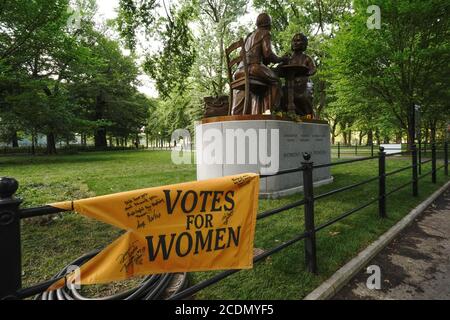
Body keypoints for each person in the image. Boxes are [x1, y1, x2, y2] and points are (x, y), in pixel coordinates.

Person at [231, 13, 288, 115]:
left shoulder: (249, 36)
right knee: (276, 82)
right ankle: (269, 112)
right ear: (268, 24)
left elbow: (244, 56)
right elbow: (268, 53)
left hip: (239, 72)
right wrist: (281, 59)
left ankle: (260, 112)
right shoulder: (265, 33)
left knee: (262, 87)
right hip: (252, 68)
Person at [281, 33, 316, 117]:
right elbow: (280, 69)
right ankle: (289, 114)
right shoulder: (289, 58)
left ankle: (308, 115)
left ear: (304, 43)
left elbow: (313, 69)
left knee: (305, 96)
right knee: (282, 94)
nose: (295, 43)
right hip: (290, 83)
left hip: (303, 83)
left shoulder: (307, 58)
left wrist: (305, 72)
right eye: (293, 41)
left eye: (298, 41)